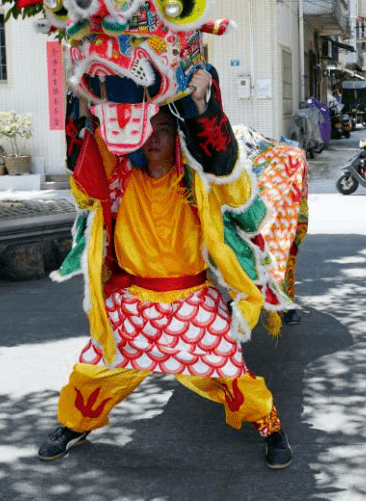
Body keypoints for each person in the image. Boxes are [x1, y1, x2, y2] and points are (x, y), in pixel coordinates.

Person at [39, 68, 294, 470]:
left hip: (192, 300)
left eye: (163, 128)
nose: (154, 137)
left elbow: (230, 173)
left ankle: (270, 426)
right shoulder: (119, 176)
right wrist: (82, 98)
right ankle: (75, 424)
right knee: (92, 372)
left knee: (231, 372)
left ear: (177, 136)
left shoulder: (199, 181)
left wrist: (201, 106)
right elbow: (83, 161)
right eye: (148, 128)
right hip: (132, 302)